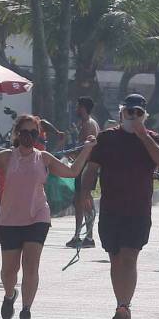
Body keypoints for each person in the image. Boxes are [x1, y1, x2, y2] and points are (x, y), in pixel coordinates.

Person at [0, 116, 96, 319]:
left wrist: (87, 149)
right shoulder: (7, 157)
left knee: (30, 265)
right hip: (9, 219)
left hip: (37, 216)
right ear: (17, 134)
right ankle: (10, 295)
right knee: (8, 270)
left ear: (39, 136)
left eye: (33, 133)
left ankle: (26, 309)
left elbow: (72, 172)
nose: (29, 137)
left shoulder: (43, 158)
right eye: (25, 133)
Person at [80, 93, 159, 319]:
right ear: (121, 113)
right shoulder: (106, 138)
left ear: (144, 116)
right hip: (111, 207)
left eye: (138, 113)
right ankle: (120, 302)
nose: (133, 116)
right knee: (115, 258)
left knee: (129, 257)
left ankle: (124, 306)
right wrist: (85, 193)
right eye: (129, 112)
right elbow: (91, 168)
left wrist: (143, 135)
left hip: (138, 210)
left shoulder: (153, 138)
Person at [66, 96, 101, 248]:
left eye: (78, 107)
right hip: (82, 167)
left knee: (85, 200)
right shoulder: (85, 124)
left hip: (88, 168)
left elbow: (87, 147)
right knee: (78, 201)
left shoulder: (90, 125)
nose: (76, 109)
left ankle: (89, 237)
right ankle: (77, 235)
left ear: (83, 108)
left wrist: (72, 152)